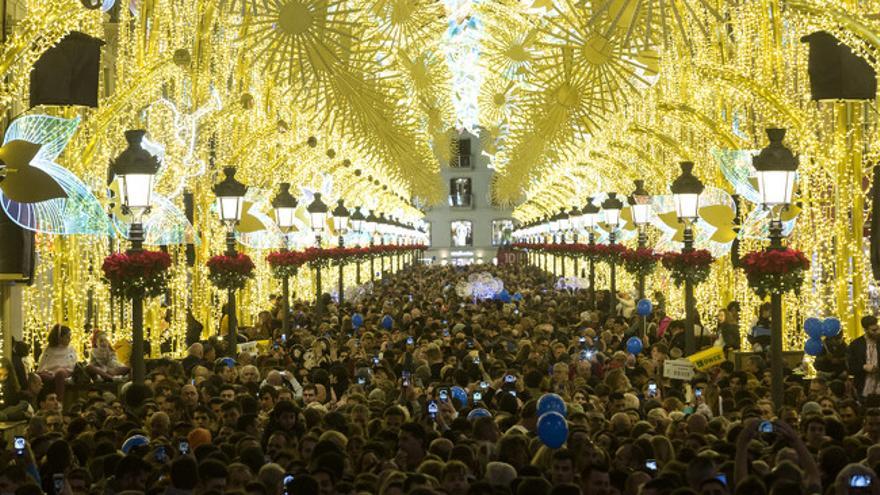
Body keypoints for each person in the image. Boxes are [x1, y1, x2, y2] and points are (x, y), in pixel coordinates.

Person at [36, 324, 78, 398]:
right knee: (41, 376)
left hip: (65, 372)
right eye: (67, 337)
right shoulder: (49, 348)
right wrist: (42, 371)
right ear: (60, 338)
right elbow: (43, 363)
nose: (70, 339)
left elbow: (73, 365)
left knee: (60, 373)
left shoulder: (70, 348)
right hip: (50, 372)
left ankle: (59, 401)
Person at [846, 315, 880, 401]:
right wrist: (863, 367)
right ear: (865, 330)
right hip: (863, 388)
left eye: (878, 329)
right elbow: (850, 367)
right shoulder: (855, 345)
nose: (877, 332)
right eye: (873, 330)